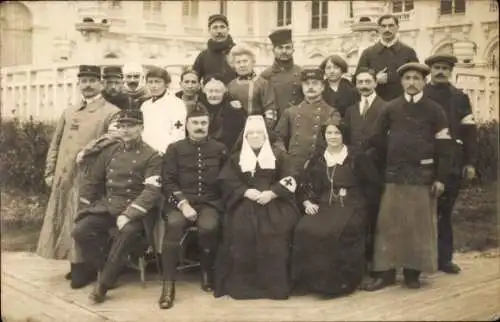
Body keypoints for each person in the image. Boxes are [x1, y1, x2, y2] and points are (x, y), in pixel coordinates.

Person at [364, 63, 453, 291]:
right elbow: (376, 138)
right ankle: (386, 273)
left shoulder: (435, 110)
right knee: (389, 224)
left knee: (417, 226)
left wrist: (441, 177)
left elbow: (444, 146)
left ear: (424, 81)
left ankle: (413, 273)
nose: (411, 82)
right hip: (394, 175)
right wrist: (391, 156)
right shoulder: (391, 108)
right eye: (407, 78)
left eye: (416, 78)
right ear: (402, 82)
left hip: (422, 176)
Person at [37, 65, 119, 289]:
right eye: (84, 80)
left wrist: (87, 150)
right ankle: (75, 264)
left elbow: (113, 138)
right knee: (63, 219)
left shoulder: (111, 112)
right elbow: (56, 143)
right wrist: (50, 172)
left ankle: (85, 268)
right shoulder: (69, 111)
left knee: (81, 220)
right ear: (79, 84)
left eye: (93, 80)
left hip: (89, 179)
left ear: (101, 84)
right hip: (64, 176)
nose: (88, 84)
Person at [72, 109, 162, 304]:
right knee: (81, 230)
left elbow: (152, 191)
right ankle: (108, 267)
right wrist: (85, 204)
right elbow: (92, 180)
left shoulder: (152, 156)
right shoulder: (110, 151)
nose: (126, 130)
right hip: (109, 205)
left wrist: (129, 214)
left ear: (141, 128)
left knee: (127, 233)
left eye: (131, 126)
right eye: (122, 126)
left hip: (136, 210)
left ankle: (102, 286)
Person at [214, 115, 300, 300]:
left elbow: (291, 177)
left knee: (275, 234)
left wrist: (272, 193)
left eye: (258, 133)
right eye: (250, 133)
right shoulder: (236, 158)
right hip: (245, 203)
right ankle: (244, 288)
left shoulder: (279, 156)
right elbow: (226, 180)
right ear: (244, 137)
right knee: (241, 231)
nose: (254, 136)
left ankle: (274, 288)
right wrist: (244, 191)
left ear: (265, 135)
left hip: (275, 204)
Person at [159, 105, 228, 309]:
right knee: (173, 226)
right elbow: (168, 180)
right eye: (195, 123)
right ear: (187, 125)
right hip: (180, 203)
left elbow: (226, 179)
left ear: (209, 125)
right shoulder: (175, 148)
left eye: (203, 123)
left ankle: (207, 273)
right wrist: (183, 203)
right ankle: (168, 286)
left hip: (209, 203)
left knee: (209, 228)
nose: (199, 127)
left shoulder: (219, 148)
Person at [292, 121, 369, 297]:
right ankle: (308, 282)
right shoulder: (318, 158)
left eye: (337, 133)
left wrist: (361, 206)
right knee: (304, 228)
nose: (332, 137)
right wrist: (307, 202)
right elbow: (306, 183)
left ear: (344, 136)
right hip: (323, 203)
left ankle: (336, 284)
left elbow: (370, 185)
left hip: (351, 204)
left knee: (334, 232)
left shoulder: (356, 157)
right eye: (329, 133)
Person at [424, 54, 478, 274]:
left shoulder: (460, 98)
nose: (440, 72)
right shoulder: (421, 94)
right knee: (423, 212)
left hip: (452, 163)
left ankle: (444, 259)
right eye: (436, 68)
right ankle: (421, 259)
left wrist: (470, 162)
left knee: (445, 211)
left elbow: (470, 133)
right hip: (425, 161)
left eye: (445, 68)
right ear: (430, 70)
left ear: (451, 71)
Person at [344, 67, 387, 269]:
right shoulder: (351, 110)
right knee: (359, 215)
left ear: (375, 83)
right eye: (360, 82)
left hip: (378, 170)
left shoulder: (386, 107)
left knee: (376, 215)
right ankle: (360, 262)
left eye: (367, 82)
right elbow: (348, 139)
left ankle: (377, 262)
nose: (363, 86)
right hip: (355, 171)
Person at [274, 68, 341, 176]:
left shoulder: (331, 113)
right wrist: (285, 157)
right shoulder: (290, 112)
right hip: (293, 168)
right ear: (302, 87)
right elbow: (277, 138)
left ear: (322, 87)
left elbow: (336, 141)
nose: (310, 87)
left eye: (315, 83)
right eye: (306, 84)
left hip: (321, 167)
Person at [355, 14, 419, 102]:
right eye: (383, 26)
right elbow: (356, 80)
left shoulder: (408, 52)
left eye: (391, 26)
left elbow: (417, 79)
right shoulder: (368, 53)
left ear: (397, 27)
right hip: (375, 105)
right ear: (379, 29)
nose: (387, 29)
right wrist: (375, 80)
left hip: (402, 104)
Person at [227, 44, 277, 129]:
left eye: (245, 61)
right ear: (234, 65)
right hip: (234, 131)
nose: (242, 65)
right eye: (238, 62)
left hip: (258, 130)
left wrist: (264, 129)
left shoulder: (263, 83)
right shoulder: (231, 85)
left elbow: (271, 110)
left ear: (253, 62)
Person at [140, 66, 187, 155]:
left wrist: (166, 151)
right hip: (145, 154)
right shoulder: (145, 105)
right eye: (150, 82)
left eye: (157, 82)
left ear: (166, 83)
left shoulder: (176, 104)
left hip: (165, 153)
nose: (153, 86)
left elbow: (178, 132)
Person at [260, 28, 303, 121]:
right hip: (276, 123)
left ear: (293, 50)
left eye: (288, 47)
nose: (284, 51)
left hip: (298, 122)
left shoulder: (301, 72)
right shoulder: (266, 75)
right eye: (280, 47)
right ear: (273, 50)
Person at [199, 75, 246, 151]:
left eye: (217, 91)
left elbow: (237, 138)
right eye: (210, 91)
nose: (214, 95)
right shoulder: (199, 108)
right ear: (204, 91)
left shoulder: (233, 109)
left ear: (224, 92)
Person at [193, 14, 237, 85]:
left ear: (228, 30)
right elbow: (193, 79)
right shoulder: (203, 56)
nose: (219, 31)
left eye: (222, 27)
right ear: (209, 31)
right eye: (215, 27)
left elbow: (250, 77)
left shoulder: (238, 52)